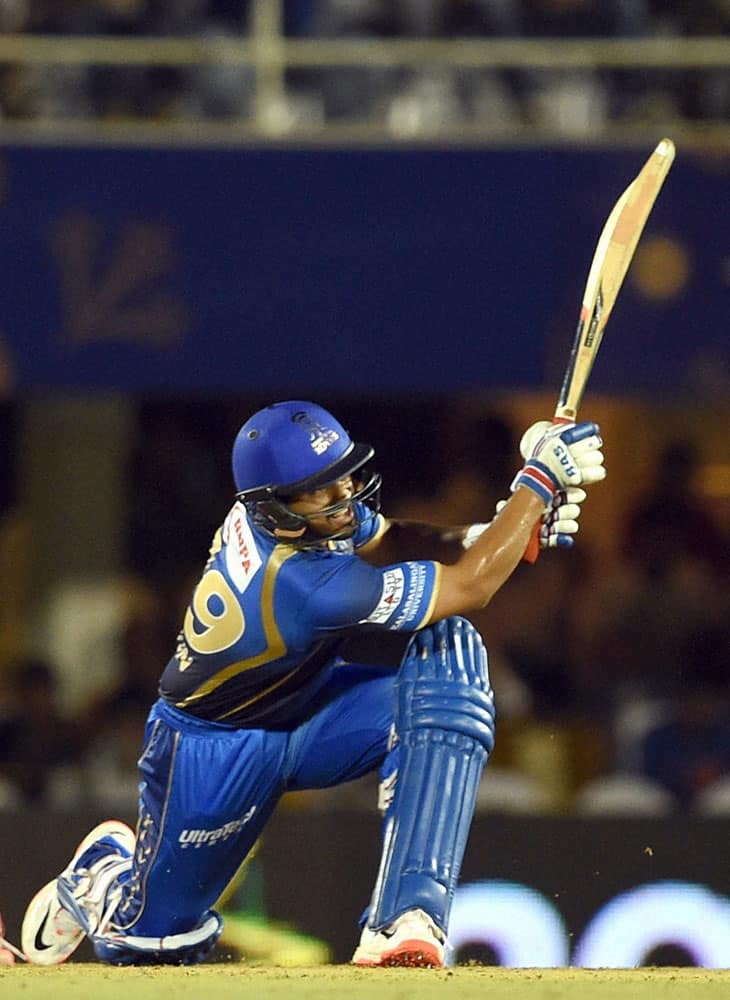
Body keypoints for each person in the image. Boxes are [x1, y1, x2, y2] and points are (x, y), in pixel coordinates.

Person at [21, 400, 605, 968]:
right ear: (274, 508)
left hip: (313, 706)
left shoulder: (303, 519)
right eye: (321, 490)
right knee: (150, 946)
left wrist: (498, 526)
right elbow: (472, 587)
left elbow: (393, 540)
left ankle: (405, 919)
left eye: (344, 477)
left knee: (449, 651)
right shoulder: (302, 586)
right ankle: (106, 875)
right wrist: (536, 486)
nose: (343, 498)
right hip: (214, 748)